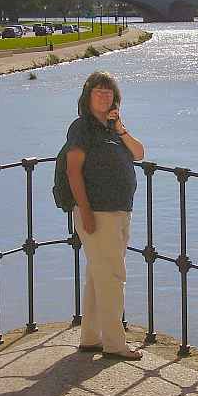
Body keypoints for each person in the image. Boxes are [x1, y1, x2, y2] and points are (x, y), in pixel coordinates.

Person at [65, 71, 145, 360]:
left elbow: (139, 153)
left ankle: (91, 337)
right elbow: (73, 171)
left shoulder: (111, 129)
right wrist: (85, 212)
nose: (103, 95)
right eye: (98, 91)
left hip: (118, 209)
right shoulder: (82, 128)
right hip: (98, 212)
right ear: (87, 97)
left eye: (108, 92)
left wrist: (120, 127)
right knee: (112, 276)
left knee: (98, 274)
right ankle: (114, 343)